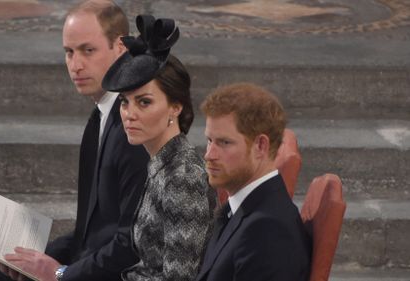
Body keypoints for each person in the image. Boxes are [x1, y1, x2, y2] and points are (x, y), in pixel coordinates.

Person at [0, 1, 149, 281]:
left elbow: (131, 244)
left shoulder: (132, 127)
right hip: (83, 265)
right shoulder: (100, 115)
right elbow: (89, 234)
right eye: (69, 52)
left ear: (121, 49)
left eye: (88, 50)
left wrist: (60, 273)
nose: (76, 65)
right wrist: (28, 258)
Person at [101, 15, 217, 281]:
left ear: (175, 107)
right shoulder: (163, 161)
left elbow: (179, 279)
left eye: (144, 103)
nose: (129, 114)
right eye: (124, 102)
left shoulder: (183, 176)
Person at [195, 82, 311, 281]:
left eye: (224, 142)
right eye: (209, 141)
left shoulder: (268, 230)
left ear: (260, 146)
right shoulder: (241, 209)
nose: (209, 154)